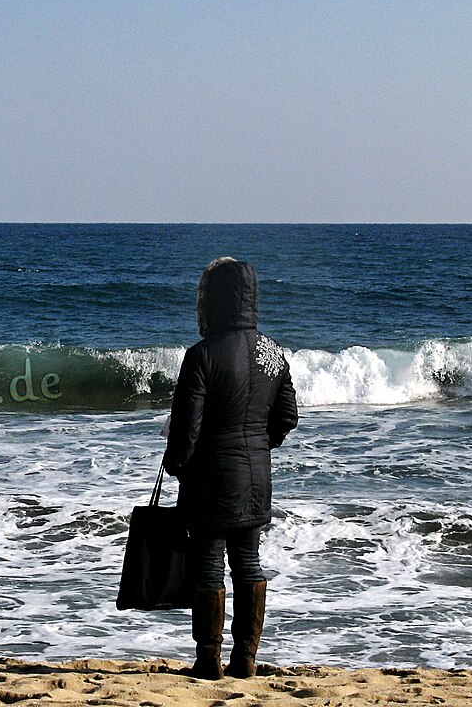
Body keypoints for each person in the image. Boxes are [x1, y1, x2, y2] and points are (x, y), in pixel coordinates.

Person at [162, 257, 298, 680]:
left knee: (208, 565)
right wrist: (261, 443)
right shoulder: (273, 353)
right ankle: (246, 657)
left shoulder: (201, 355)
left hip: (211, 482)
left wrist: (177, 466)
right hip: (257, 479)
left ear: (212, 299)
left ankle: (208, 660)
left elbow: (186, 429)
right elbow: (288, 416)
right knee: (248, 563)